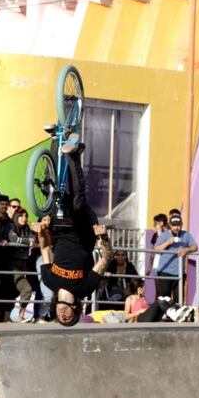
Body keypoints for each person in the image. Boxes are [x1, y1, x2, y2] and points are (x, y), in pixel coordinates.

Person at [36, 134, 113, 327]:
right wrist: (103, 238)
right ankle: (74, 155)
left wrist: (41, 230)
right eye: (68, 318)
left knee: (53, 195)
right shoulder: (85, 288)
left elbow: (45, 249)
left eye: (60, 318)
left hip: (61, 231)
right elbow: (106, 259)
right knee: (78, 203)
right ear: (76, 309)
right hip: (84, 231)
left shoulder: (49, 281)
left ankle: (56, 140)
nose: (63, 315)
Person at [152, 213, 198, 301]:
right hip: (164, 272)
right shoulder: (164, 235)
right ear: (169, 225)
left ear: (181, 224)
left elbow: (195, 247)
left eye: (178, 225)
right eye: (174, 225)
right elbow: (156, 250)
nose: (176, 227)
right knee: (165, 300)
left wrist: (186, 250)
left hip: (180, 273)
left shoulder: (186, 235)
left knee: (179, 300)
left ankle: (176, 314)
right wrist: (167, 243)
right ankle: (164, 315)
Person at [7, 207, 37, 323]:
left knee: (25, 290)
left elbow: (33, 239)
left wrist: (27, 241)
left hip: (24, 263)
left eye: (25, 216)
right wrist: (27, 242)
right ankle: (20, 316)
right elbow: (14, 239)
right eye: (21, 216)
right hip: (13, 264)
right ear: (16, 216)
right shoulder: (11, 227)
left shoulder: (26, 229)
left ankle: (21, 316)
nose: (24, 219)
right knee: (26, 289)